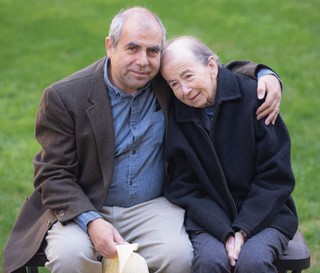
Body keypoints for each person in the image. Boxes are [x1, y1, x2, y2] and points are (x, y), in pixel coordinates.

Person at [3, 7, 283, 273]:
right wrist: (92, 221)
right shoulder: (65, 97)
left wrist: (262, 73)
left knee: (180, 255)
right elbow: (51, 174)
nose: (143, 61)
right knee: (69, 256)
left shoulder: (168, 83)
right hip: (86, 205)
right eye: (132, 48)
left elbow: (208, 69)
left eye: (153, 51)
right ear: (110, 46)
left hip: (151, 206)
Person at [161, 36, 298, 273]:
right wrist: (224, 231)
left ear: (212, 67)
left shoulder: (255, 99)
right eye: (174, 84)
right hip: (209, 219)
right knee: (210, 261)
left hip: (267, 213)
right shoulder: (178, 115)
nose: (184, 90)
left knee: (253, 262)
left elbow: (276, 177)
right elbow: (182, 187)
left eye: (188, 76)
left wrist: (243, 229)